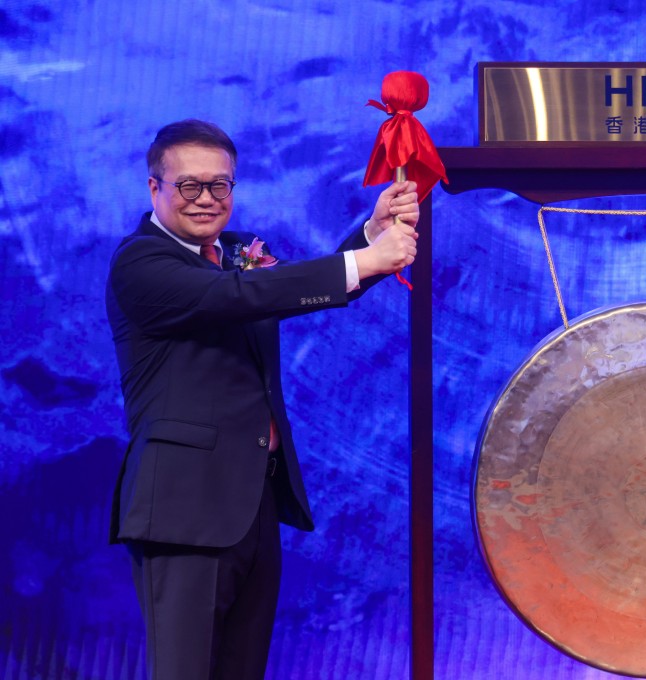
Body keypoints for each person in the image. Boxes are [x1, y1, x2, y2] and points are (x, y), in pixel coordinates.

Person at [105, 118, 419, 679]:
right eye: (189, 186)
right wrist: (368, 260)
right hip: (183, 510)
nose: (207, 199)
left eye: (220, 185)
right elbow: (239, 295)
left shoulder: (233, 253)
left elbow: (286, 288)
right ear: (154, 188)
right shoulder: (140, 263)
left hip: (252, 504)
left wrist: (369, 239)